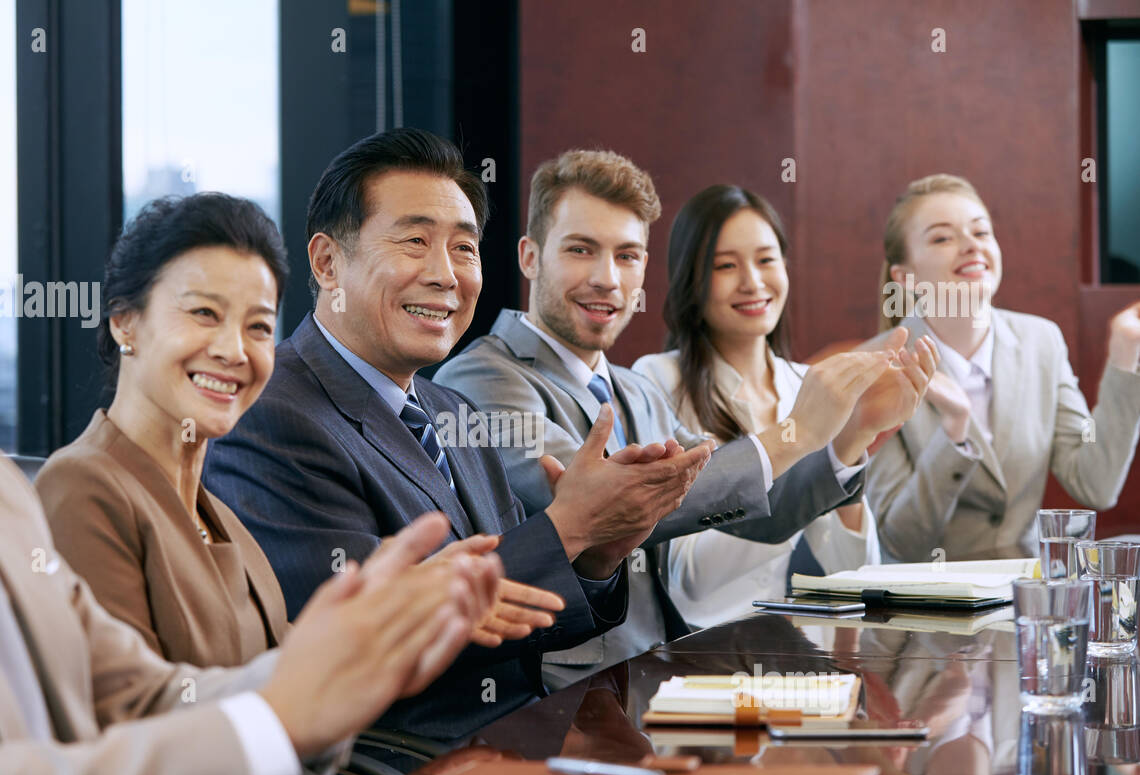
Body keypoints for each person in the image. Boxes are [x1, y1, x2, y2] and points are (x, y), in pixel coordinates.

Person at [0, 76, 498, 775]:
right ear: (126, 322)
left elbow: (138, 690)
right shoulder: (81, 487)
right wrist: (278, 718)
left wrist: (337, 669)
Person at [206, 128, 712, 740]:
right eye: (415, 241)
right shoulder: (269, 413)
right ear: (326, 262)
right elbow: (361, 649)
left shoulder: (451, 406)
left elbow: (518, 616)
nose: (446, 275)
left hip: (521, 748)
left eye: (464, 249)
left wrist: (601, 551)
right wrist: (567, 528)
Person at [436, 151, 935, 683]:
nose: (607, 278)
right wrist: (800, 432)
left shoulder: (635, 389)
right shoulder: (479, 379)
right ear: (530, 257)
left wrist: (850, 434)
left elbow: (741, 501)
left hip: (663, 678)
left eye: (627, 256)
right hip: (560, 692)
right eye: (581, 250)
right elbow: (605, 504)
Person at [36, 193, 560, 666]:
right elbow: (135, 722)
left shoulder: (210, 509)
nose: (233, 350)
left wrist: (391, 613)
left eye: (258, 326)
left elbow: (285, 671)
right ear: (124, 321)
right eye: (202, 313)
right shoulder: (84, 487)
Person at [634, 185, 904, 627]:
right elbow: (692, 580)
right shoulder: (657, 381)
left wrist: (853, 441)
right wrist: (797, 448)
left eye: (766, 259)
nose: (753, 282)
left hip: (795, 653)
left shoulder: (805, 381)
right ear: (691, 279)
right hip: (695, 659)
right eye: (725, 265)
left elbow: (850, 573)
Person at [864, 173, 1140, 562]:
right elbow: (901, 542)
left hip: (1024, 604)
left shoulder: (1041, 341)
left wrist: (1125, 361)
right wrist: (955, 434)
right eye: (943, 238)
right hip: (924, 609)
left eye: (981, 232)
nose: (972, 246)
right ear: (904, 278)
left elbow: (1095, 482)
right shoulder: (878, 369)